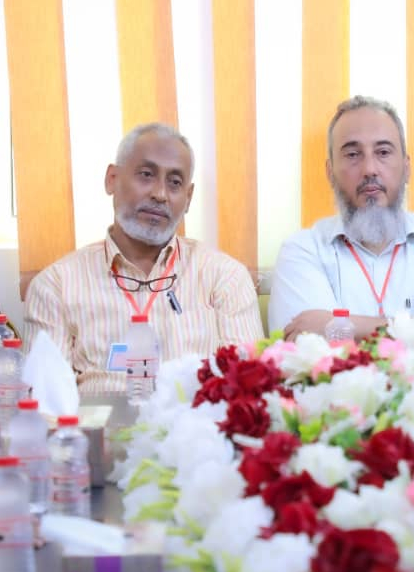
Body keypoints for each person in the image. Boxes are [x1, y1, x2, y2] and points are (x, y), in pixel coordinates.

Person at [24, 123, 263, 394]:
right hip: (100, 420)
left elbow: (248, 392)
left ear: (188, 198)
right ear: (112, 179)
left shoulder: (225, 278)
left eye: (175, 182)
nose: (159, 194)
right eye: (146, 175)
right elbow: (45, 401)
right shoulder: (56, 285)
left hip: (193, 420)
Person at [269, 95, 414, 344]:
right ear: (330, 173)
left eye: (383, 152)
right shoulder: (302, 250)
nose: (369, 169)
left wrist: (343, 325)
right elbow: (307, 346)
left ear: (406, 167)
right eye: (353, 154)